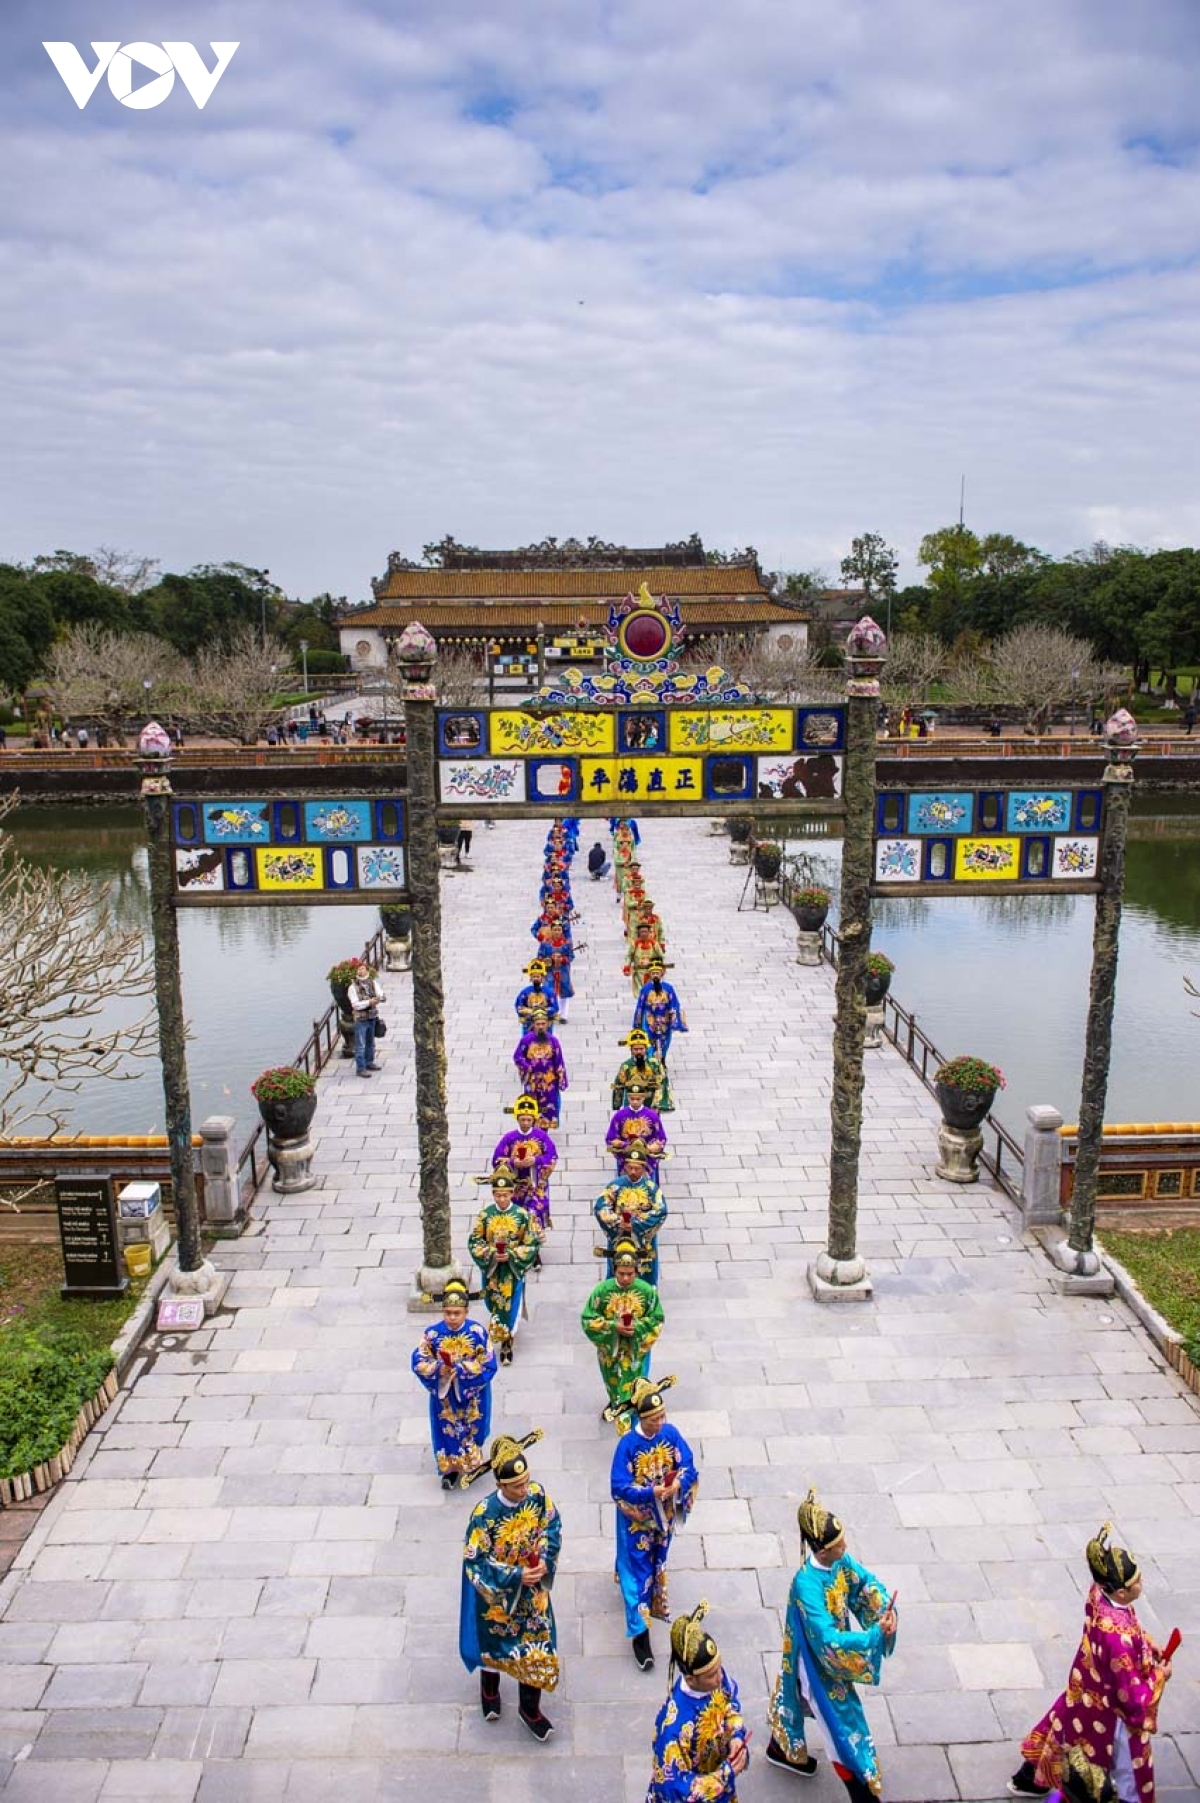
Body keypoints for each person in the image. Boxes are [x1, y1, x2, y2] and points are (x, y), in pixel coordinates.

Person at [1008, 1522, 1171, 1801]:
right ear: (1121, 1592)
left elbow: (1129, 1627)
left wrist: (1145, 1641)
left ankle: (1030, 1778)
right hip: (1111, 1710)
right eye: (1137, 1582)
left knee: (1063, 1729)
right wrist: (1159, 1676)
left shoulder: (1099, 1593)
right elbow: (1132, 1698)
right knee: (1130, 1769)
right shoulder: (1118, 1639)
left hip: (1085, 1684)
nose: (1141, 1584)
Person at [767, 1486, 898, 1799]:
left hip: (823, 1652)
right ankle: (860, 1790)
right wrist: (874, 1636)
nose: (845, 1547)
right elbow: (827, 1639)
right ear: (822, 1550)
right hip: (815, 1662)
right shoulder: (806, 1586)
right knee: (840, 1726)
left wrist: (885, 1614)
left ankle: (782, 1748)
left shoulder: (840, 1561)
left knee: (794, 1700)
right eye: (839, 1544)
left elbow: (864, 1585)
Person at [460, 1430, 561, 1741]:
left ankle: (529, 1709)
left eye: (526, 1482)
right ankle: (489, 1689)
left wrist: (544, 1558)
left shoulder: (538, 1496)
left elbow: (551, 1526)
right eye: (517, 1486)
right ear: (500, 1485)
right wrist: (515, 1576)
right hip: (500, 1599)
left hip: (533, 1594)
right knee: (495, 1646)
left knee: (537, 1648)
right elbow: (475, 1561)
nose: (524, 1490)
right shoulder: (484, 1515)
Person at [611, 1377, 697, 1671]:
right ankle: (639, 1633)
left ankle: (648, 1598)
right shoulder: (628, 1444)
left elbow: (687, 1463)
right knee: (638, 1570)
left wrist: (678, 1483)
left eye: (662, 1416)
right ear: (641, 1418)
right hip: (637, 1521)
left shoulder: (670, 1434)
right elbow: (618, 1486)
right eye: (653, 1419)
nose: (660, 1423)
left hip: (664, 1517)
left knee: (658, 1559)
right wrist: (649, 1492)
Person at [646, 1601, 749, 1800]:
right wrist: (724, 1775)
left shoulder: (715, 1681)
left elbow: (730, 1704)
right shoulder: (673, 1730)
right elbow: (675, 1789)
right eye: (711, 1675)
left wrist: (735, 1734)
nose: (720, 1677)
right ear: (691, 1679)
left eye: (720, 1668)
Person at [411, 1277, 496, 1489]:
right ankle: (449, 1470)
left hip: (470, 1393)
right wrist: (439, 1368)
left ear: (466, 1312)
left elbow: (488, 1363)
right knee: (446, 1429)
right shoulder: (433, 1334)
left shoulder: (477, 1333)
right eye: (448, 1313)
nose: (452, 1317)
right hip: (445, 1394)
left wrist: (461, 1369)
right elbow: (418, 1360)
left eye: (456, 1313)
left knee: (471, 1427)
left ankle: (472, 1461)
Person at [581, 1240, 663, 1420]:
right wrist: (613, 1327)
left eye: (630, 1274)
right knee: (613, 1380)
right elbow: (588, 1319)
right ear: (614, 1270)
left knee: (635, 1381)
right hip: (612, 1350)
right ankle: (615, 1401)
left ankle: (632, 1410)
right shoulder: (602, 1291)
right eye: (621, 1273)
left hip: (636, 1350)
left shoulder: (647, 1291)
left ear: (636, 1271)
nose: (625, 1278)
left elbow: (657, 1319)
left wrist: (638, 1328)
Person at [467, 1164, 540, 1365]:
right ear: (493, 1195)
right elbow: (475, 1241)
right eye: (498, 1195)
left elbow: (531, 1242)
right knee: (492, 1302)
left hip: (512, 1269)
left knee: (510, 1304)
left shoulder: (522, 1215)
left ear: (512, 1193)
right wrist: (491, 1253)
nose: (501, 1199)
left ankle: (507, 1340)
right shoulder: (485, 1215)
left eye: (505, 1195)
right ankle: (498, 1329)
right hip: (492, 1269)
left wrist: (511, 1254)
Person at [594, 1147, 667, 1283]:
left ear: (644, 1168)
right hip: (619, 1237)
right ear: (625, 1167)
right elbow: (600, 1207)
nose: (633, 1171)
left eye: (637, 1168)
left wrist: (634, 1224)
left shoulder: (652, 1188)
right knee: (617, 1265)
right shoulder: (615, 1186)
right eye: (630, 1167)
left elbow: (660, 1211)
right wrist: (617, 1221)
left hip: (643, 1240)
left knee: (646, 1270)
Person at [493, 1095, 557, 1230]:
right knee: (516, 1217)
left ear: (534, 1119)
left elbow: (552, 1156)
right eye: (523, 1119)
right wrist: (513, 1162)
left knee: (534, 1215)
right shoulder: (509, 1138)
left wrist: (536, 1160)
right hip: (515, 1186)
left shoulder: (541, 1136)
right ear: (517, 1119)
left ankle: (534, 1246)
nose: (526, 1123)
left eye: (529, 1119)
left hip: (536, 1185)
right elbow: (496, 1159)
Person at [513, 1010, 569, 1128]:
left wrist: (561, 1079)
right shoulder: (526, 1040)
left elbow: (559, 1060)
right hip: (532, 1080)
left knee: (549, 1105)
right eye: (538, 1024)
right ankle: (532, 1128)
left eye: (543, 1024)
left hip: (549, 1080)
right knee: (532, 1105)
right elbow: (517, 1057)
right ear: (533, 1024)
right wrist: (527, 1067)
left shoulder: (553, 1041)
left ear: (547, 1024)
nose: (541, 1027)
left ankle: (544, 1129)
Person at [633, 958, 689, 1068]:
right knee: (648, 1040)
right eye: (653, 973)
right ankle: (651, 1061)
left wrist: (674, 1015)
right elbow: (640, 1005)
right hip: (650, 1020)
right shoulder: (645, 989)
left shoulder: (668, 988)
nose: (655, 975)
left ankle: (662, 1058)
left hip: (664, 1019)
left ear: (662, 973)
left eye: (657, 973)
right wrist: (637, 1022)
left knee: (665, 1040)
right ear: (649, 974)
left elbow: (674, 1003)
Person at [606, 1085, 668, 1181]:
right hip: (626, 1154)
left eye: (638, 1099)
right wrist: (621, 1144)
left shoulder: (652, 1116)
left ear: (644, 1097)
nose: (635, 1101)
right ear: (628, 1098)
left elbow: (661, 1138)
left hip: (646, 1155)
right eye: (632, 1098)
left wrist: (653, 1147)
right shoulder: (619, 1115)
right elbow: (611, 1138)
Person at [612, 1028, 671, 1114]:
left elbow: (662, 1083)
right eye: (636, 1049)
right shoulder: (626, 1066)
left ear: (646, 1049)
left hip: (650, 1104)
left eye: (641, 1049)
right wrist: (617, 1106)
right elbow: (618, 1086)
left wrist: (658, 1105)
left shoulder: (654, 1064)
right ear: (631, 1050)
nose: (639, 1051)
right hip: (630, 1104)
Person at [346, 960, 384, 1077]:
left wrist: (380, 998)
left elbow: (380, 993)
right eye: (359, 969)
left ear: (366, 970)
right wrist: (369, 1002)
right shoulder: (353, 987)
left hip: (372, 1016)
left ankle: (369, 1062)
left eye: (362, 968)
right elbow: (355, 1004)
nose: (360, 971)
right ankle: (361, 1068)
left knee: (370, 1042)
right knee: (360, 1044)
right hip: (361, 1019)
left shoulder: (372, 983)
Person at [514, 959, 560, 1028]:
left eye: (538, 976)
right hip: (529, 1024)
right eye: (533, 977)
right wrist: (524, 1012)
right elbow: (519, 1006)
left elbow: (555, 1007)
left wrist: (542, 1011)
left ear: (542, 978)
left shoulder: (549, 992)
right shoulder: (525, 992)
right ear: (531, 978)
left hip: (545, 1024)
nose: (535, 978)